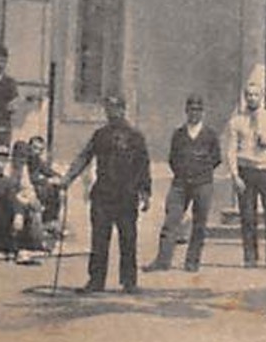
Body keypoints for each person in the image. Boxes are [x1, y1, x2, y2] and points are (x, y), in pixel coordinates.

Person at [60, 95, 152, 293]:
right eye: (108, 108)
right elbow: (84, 157)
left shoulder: (135, 136)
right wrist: (68, 178)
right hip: (103, 194)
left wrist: (145, 192)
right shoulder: (100, 135)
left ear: (123, 109)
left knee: (128, 239)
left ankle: (129, 282)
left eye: (115, 108)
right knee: (99, 239)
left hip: (126, 196)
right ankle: (96, 281)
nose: (111, 112)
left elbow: (143, 165)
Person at [145, 93, 221, 273]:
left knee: (199, 223)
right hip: (180, 184)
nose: (194, 114)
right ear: (186, 111)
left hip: (203, 184)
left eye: (198, 110)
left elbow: (216, 158)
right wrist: (182, 172)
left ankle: (192, 261)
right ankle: (163, 261)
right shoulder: (179, 134)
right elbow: (172, 158)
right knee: (171, 220)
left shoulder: (210, 134)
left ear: (202, 112)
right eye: (191, 110)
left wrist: (201, 169)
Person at [224, 81, 266, 268]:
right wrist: (235, 176)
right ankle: (250, 257)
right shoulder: (236, 121)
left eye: (255, 95)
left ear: (262, 97)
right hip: (246, 171)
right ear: (245, 97)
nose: (252, 98)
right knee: (247, 216)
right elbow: (231, 150)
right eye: (249, 95)